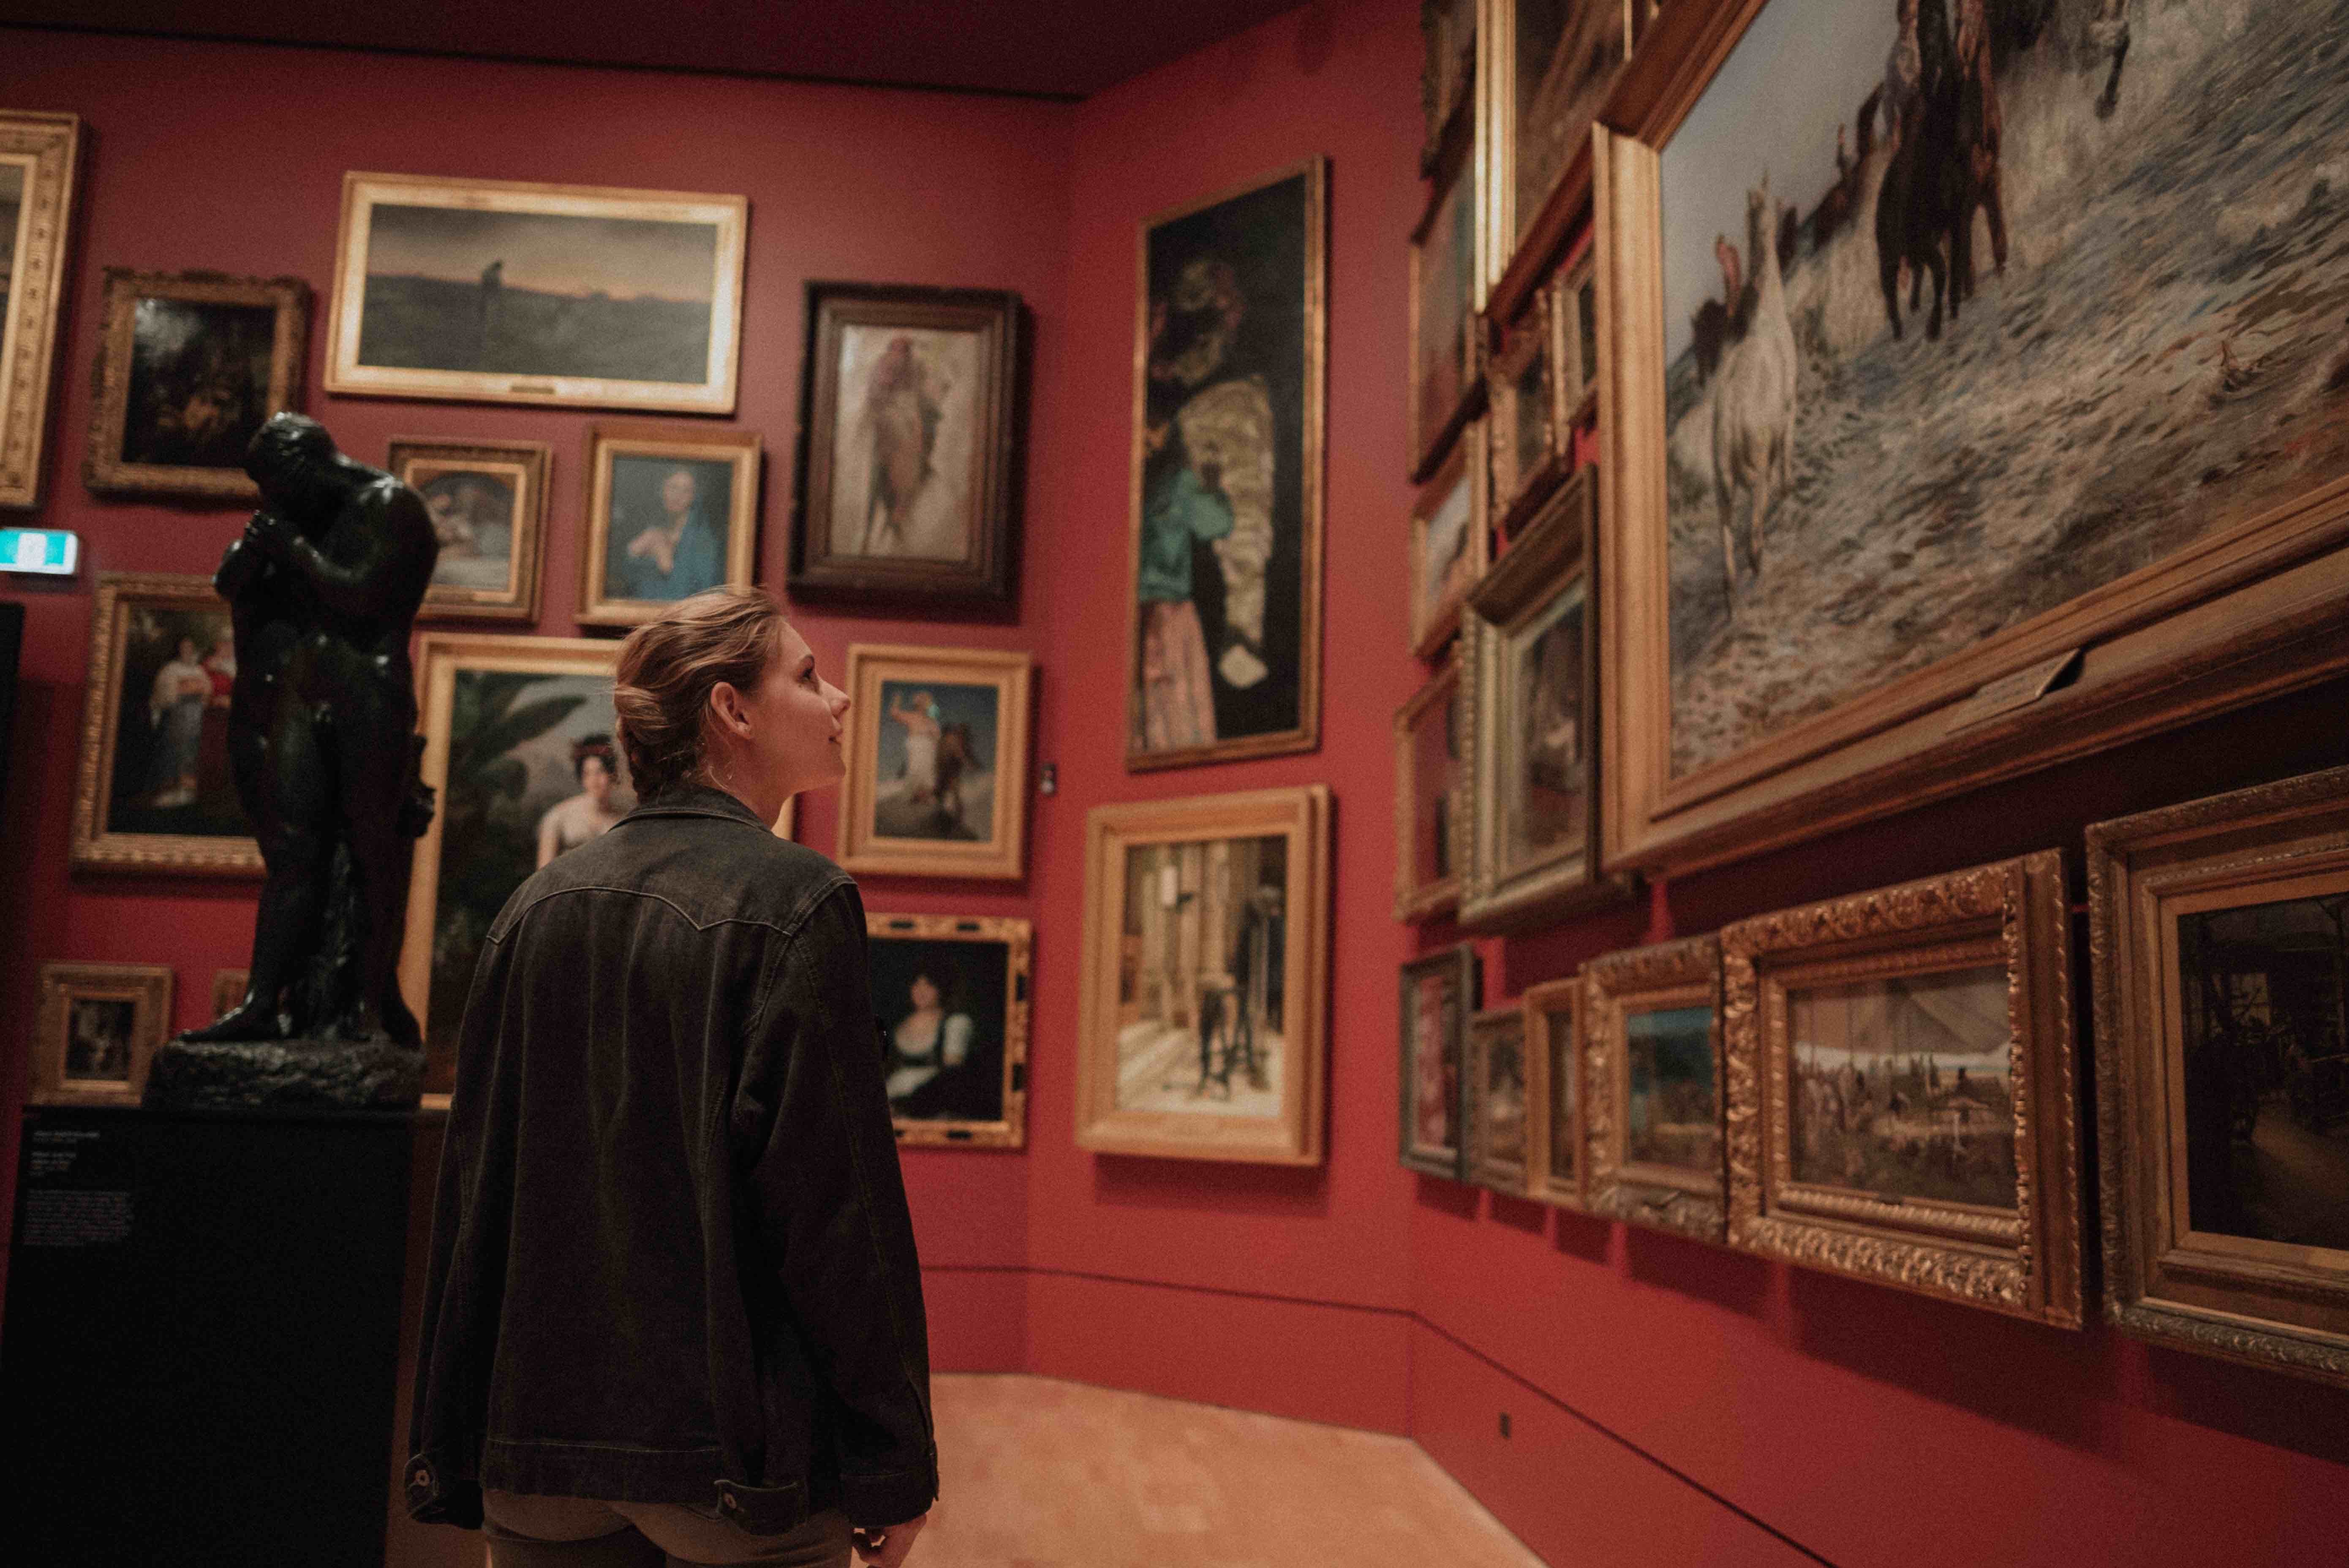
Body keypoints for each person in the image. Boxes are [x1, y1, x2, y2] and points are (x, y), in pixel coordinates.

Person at [408, 586, 936, 1568]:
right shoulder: (796, 898)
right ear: (732, 710)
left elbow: (477, 1186)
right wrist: (892, 1457)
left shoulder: (536, 903)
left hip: (535, 1447)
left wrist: (454, 1437)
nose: (840, 700)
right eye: (808, 676)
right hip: (725, 1461)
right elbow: (831, 1209)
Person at [615, 465, 726, 603]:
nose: (678, 496)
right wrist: (633, 554)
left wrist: (667, 564)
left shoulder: (704, 542)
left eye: (686, 491)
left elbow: (699, 595)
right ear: (662, 490)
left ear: (694, 497)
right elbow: (630, 585)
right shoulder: (654, 531)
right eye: (673, 487)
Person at [885, 969, 974, 1117]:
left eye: (929, 985)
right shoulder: (899, 1024)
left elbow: (952, 1076)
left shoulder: (955, 1023)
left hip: (933, 1104)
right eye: (917, 985)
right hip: (892, 1100)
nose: (921, 991)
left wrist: (907, 1104)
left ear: (941, 989)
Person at [536, 734, 627, 867]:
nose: (594, 781)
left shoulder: (624, 818)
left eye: (600, 772)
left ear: (612, 775)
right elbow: (543, 875)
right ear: (582, 777)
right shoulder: (558, 817)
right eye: (587, 774)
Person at [145, 634, 211, 809]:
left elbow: (206, 690)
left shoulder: (198, 670)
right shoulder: (170, 669)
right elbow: (166, 694)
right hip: (176, 716)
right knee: (173, 748)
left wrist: (193, 687)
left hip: (194, 716)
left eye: (190, 648)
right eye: (184, 648)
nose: (187, 652)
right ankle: (167, 792)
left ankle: (187, 792)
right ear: (179, 650)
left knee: (191, 750)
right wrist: (187, 688)